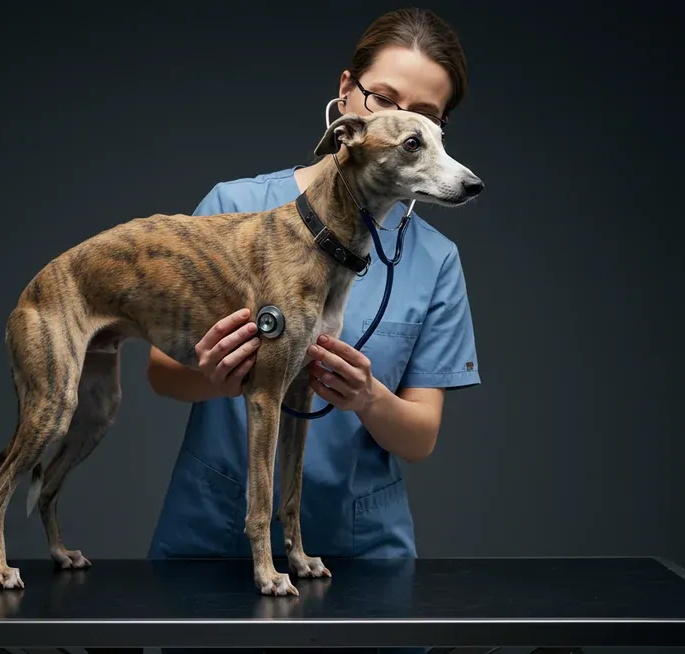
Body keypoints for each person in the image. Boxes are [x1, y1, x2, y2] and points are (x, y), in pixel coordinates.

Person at [147, 7, 479, 574]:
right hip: (215, 537)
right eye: (384, 98)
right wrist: (212, 374)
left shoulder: (436, 260)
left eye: (424, 115)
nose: (399, 123)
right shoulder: (233, 207)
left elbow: (420, 438)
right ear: (347, 95)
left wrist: (368, 396)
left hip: (361, 551)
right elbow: (161, 372)